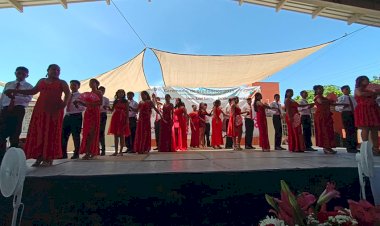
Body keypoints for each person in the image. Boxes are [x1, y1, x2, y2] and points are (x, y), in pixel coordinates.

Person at [4, 64, 70, 166]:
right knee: (39, 131)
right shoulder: (41, 81)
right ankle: (39, 156)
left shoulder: (62, 82)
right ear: (47, 70)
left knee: (51, 132)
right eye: (53, 69)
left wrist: (64, 104)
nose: (56, 71)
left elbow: (67, 93)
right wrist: (14, 90)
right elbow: (32, 91)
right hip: (40, 109)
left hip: (54, 109)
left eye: (58, 70)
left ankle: (48, 157)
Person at [0, 66, 33, 163]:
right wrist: (1, 108)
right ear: (15, 73)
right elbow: (3, 98)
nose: (21, 75)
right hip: (6, 109)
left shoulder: (28, 86)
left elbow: (27, 99)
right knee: (1, 132)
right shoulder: (9, 84)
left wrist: (14, 96)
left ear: (27, 75)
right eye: (19, 73)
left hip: (18, 109)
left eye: (23, 74)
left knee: (15, 133)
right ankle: (2, 156)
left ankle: (12, 158)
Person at [313, 85, 346, 154]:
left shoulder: (324, 98)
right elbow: (321, 102)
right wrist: (329, 100)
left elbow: (333, 104)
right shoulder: (317, 97)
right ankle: (326, 147)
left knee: (328, 131)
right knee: (324, 131)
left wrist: (342, 104)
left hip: (327, 115)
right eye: (319, 89)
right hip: (321, 116)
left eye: (322, 89)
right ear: (316, 90)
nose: (321, 90)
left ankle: (328, 147)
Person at [75, 78, 102, 160]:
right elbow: (86, 104)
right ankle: (88, 151)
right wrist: (79, 103)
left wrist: (88, 103)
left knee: (92, 133)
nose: (90, 84)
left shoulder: (99, 92)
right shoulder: (89, 94)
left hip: (95, 113)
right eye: (90, 83)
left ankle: (89, 152)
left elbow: (100, 103)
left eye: (92, 82)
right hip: (88, 113)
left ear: (97, 84)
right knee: (86, 132)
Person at [354, 76, 380, 155]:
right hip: (363, 110)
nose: (368, 81)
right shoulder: (358, 89)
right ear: (361, 81)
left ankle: (376, 148)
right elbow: (360, 94)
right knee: (365, 128)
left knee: (374, 129)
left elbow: (375, 97)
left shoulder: (369, 90)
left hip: (372, 109)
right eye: (366, 80)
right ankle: (365, 148)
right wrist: (372, 93)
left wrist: (374, 93)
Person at [61, 80, 85, 159]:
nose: (72, 86)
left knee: (76, 135)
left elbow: (83, 108)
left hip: (76, 116)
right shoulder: (67, 95)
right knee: (63, 136)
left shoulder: (81, 96)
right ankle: (63, 154)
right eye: (71, 85)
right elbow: (64, 105)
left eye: (74, 85)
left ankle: (76, 154)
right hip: (67, 116)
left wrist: (77, 105)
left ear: (78, 86)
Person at [336, 85, 358, 153]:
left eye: (348, 89)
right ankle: (349, 147)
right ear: (342, 91)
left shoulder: (353, 98)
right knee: (348, 130)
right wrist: (343, 107)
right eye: (346, 89)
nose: (348, 90)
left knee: (354, 130)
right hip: (346, 113)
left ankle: (354, 146)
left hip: (353, 113)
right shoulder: (341, 98)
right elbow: (337, 107)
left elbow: (356, 105)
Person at [108, 89, 130, 156]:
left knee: (122, 135)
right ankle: (116, 151)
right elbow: (112, 110)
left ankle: (121, 151)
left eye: (122, 93)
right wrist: (107, 107)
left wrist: (127, 120)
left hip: (123, 118)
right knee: (116, 136)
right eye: (119, 93)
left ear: (124, 94)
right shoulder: (115, 101)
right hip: (115, 117)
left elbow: (127, 111)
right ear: (117, 94)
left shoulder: (126, 101)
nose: (121, 94)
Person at [99, 86, 110, 156]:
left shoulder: (106, 99)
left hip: (103, 115)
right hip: (95, 114)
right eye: (100, 90)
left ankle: (103, 150)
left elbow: (108, 108)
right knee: (95, 132)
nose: (101, 91)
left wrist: (105, 107)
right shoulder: (94, 97)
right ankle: (95, 149)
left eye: (103, 90)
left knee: (101, 132)